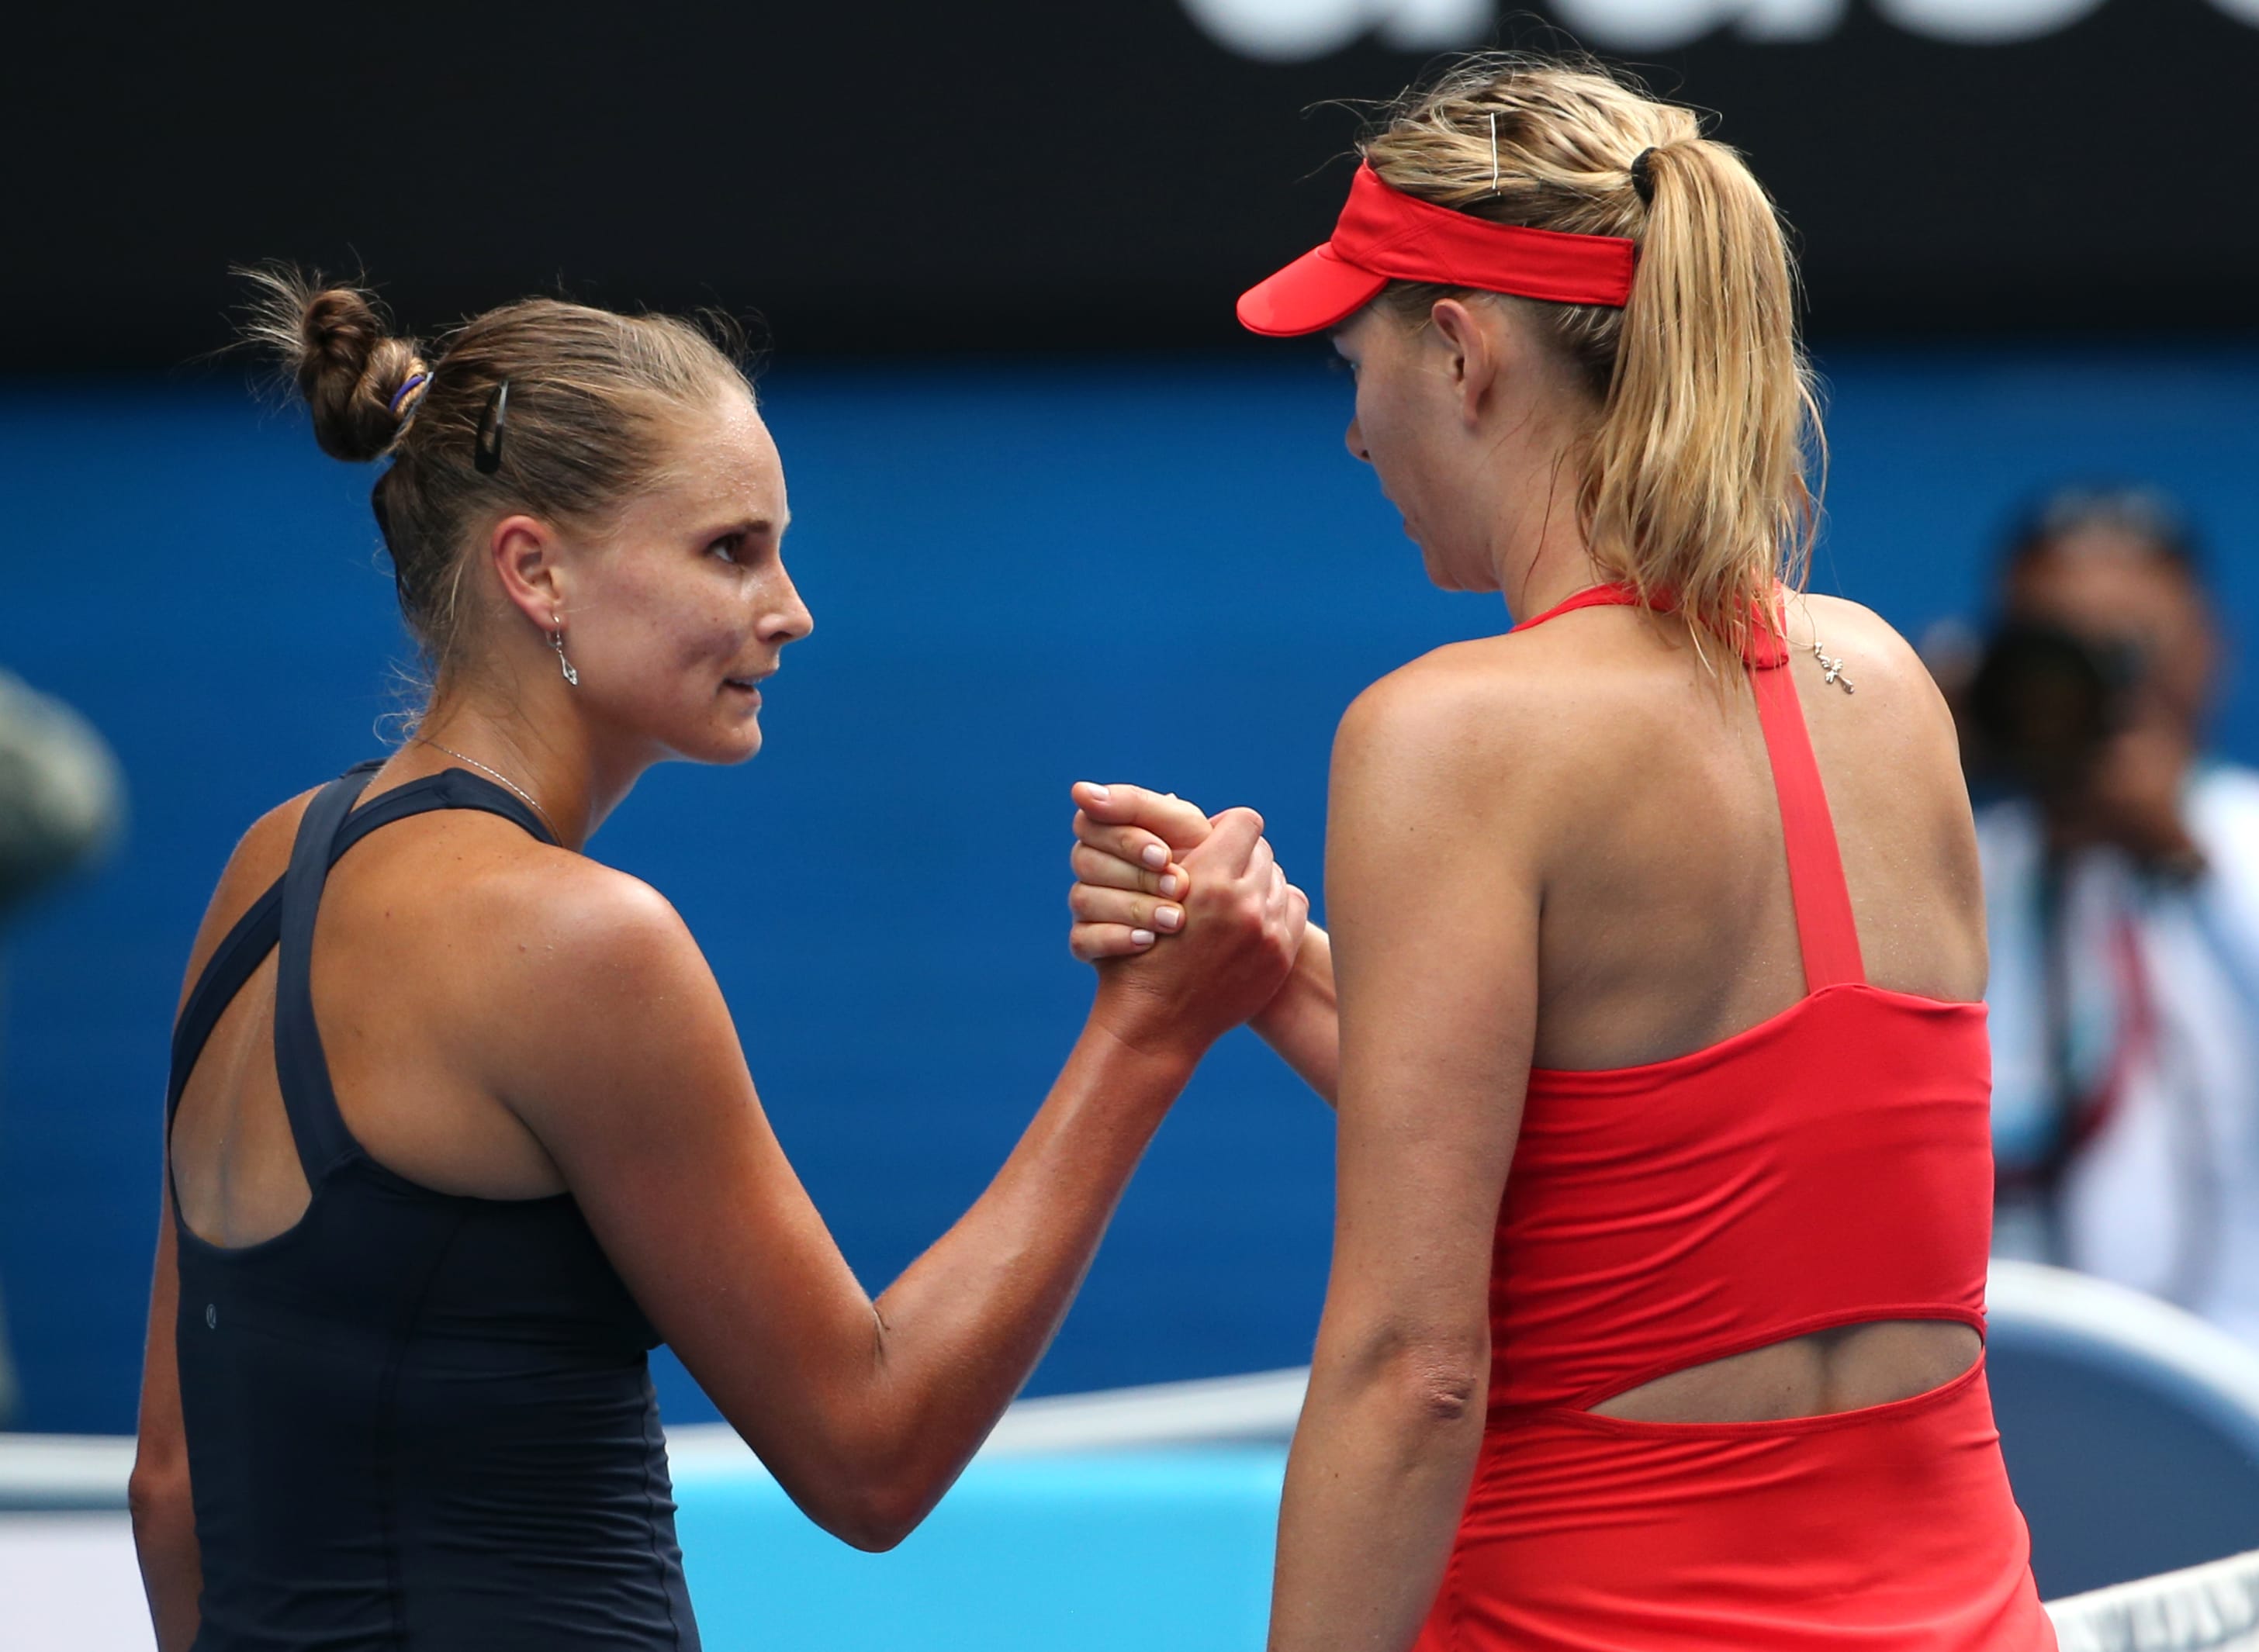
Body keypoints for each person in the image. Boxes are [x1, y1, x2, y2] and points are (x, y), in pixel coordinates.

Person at [126, 273, 1306, 1652]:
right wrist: (1148, 1032)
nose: (791, 609)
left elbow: (173, 1490)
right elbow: (871, 1454)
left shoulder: (272, 866)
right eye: (731, 551)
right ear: (535, 571)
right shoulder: (581, 942)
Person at [1064, 54, 2055, 1651]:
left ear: (1460, 356)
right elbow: (1652, 1184)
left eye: (1354, 365)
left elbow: (1413, 1369)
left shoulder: (1446, 736)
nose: (1353, 435)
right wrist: (1271, 963)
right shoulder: (1882, 684)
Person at [1958, 488, 2259, 1331]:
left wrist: (2182, 862)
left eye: (2130, 642)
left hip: (2234, 1361)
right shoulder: (1948, 865)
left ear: (2208, 650)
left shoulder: (2242, 840)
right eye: (2057, 646)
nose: (2093, 679)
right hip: (2020, 1354)